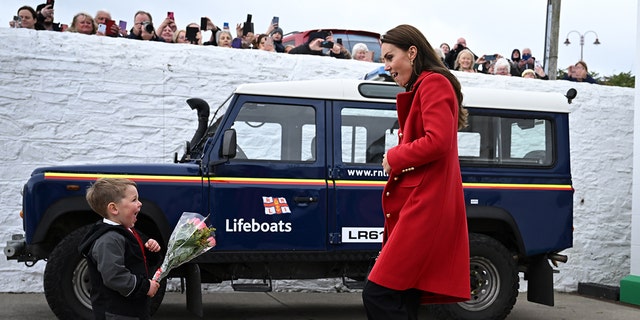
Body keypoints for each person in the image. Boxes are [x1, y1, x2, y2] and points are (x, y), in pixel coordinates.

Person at [362, 24, 470, 320]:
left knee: (378, 293)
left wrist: (394, 157)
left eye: (389, 57)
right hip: (421, 203)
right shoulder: (426, 85)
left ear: (412, 52)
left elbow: (438, 141)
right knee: (403, 293)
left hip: (425, 205)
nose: (386, 67)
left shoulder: (433, 83)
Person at [78, 178, 162, 320]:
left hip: (132, 310)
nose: (140, 203)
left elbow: (135, 261)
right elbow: (115, 276)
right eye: (134, 200)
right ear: (114, 209)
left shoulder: (126, 231)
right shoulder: (109, 239)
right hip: (117, 313)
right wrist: (145, 287)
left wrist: (150, 251)